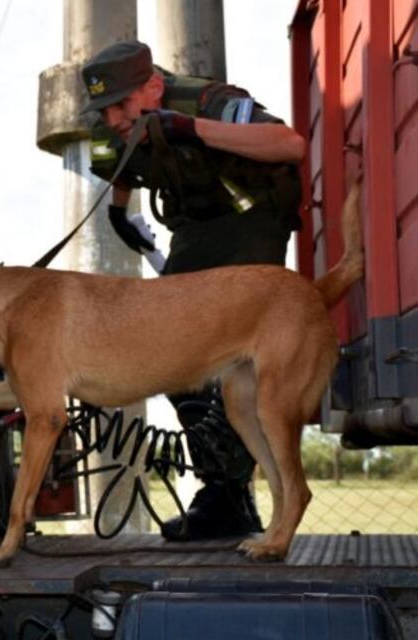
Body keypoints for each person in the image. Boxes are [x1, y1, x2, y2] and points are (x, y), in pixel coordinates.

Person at [79, 40, 305, 541]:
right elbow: (123, 162)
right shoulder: (109, 124)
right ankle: (225, 493)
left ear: (154, 86)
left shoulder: (204, 102)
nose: (114, 118)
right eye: (104, 107)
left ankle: (229, 495)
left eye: (123, 104)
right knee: (171, 357)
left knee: (232, 364)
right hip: (195, 230)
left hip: (251, 221)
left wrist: (193, 129)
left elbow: (292, 146)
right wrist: (120, 210)